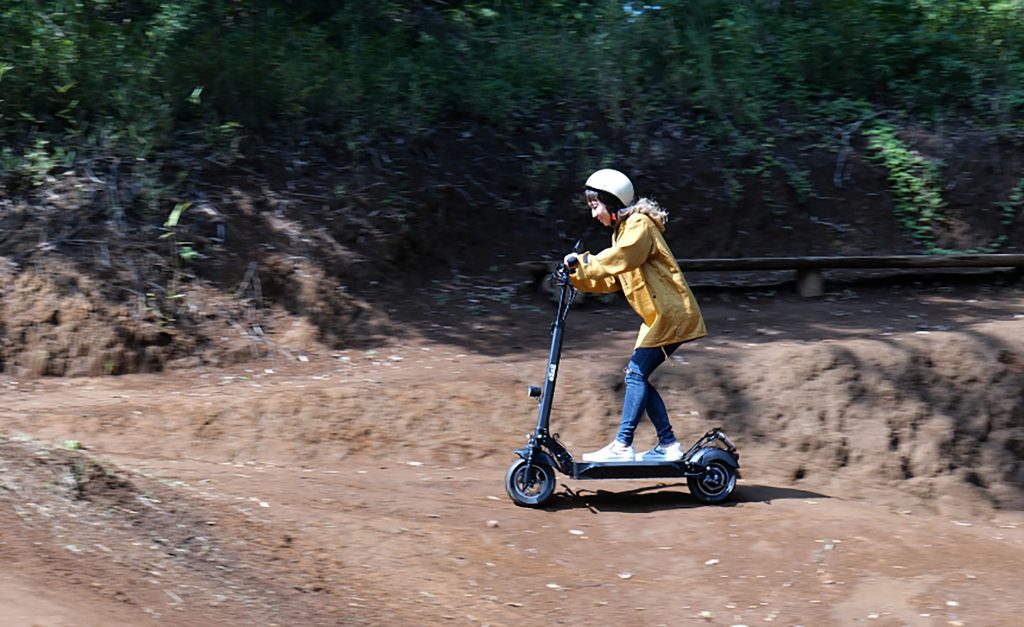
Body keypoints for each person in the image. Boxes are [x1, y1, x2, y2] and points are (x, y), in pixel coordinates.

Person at [564, 168, 707, 462]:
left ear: (612, 201)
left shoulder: (639, 226)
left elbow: (623, 257)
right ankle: (668, 445)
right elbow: (613, 278)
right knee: (637, 375)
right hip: (658, 319)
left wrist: (585, 261)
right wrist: (577, 276)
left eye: (595, 206)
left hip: (672, 315)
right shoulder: (623, 233)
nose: (594, 215)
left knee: (635, 374)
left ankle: (623, 444)